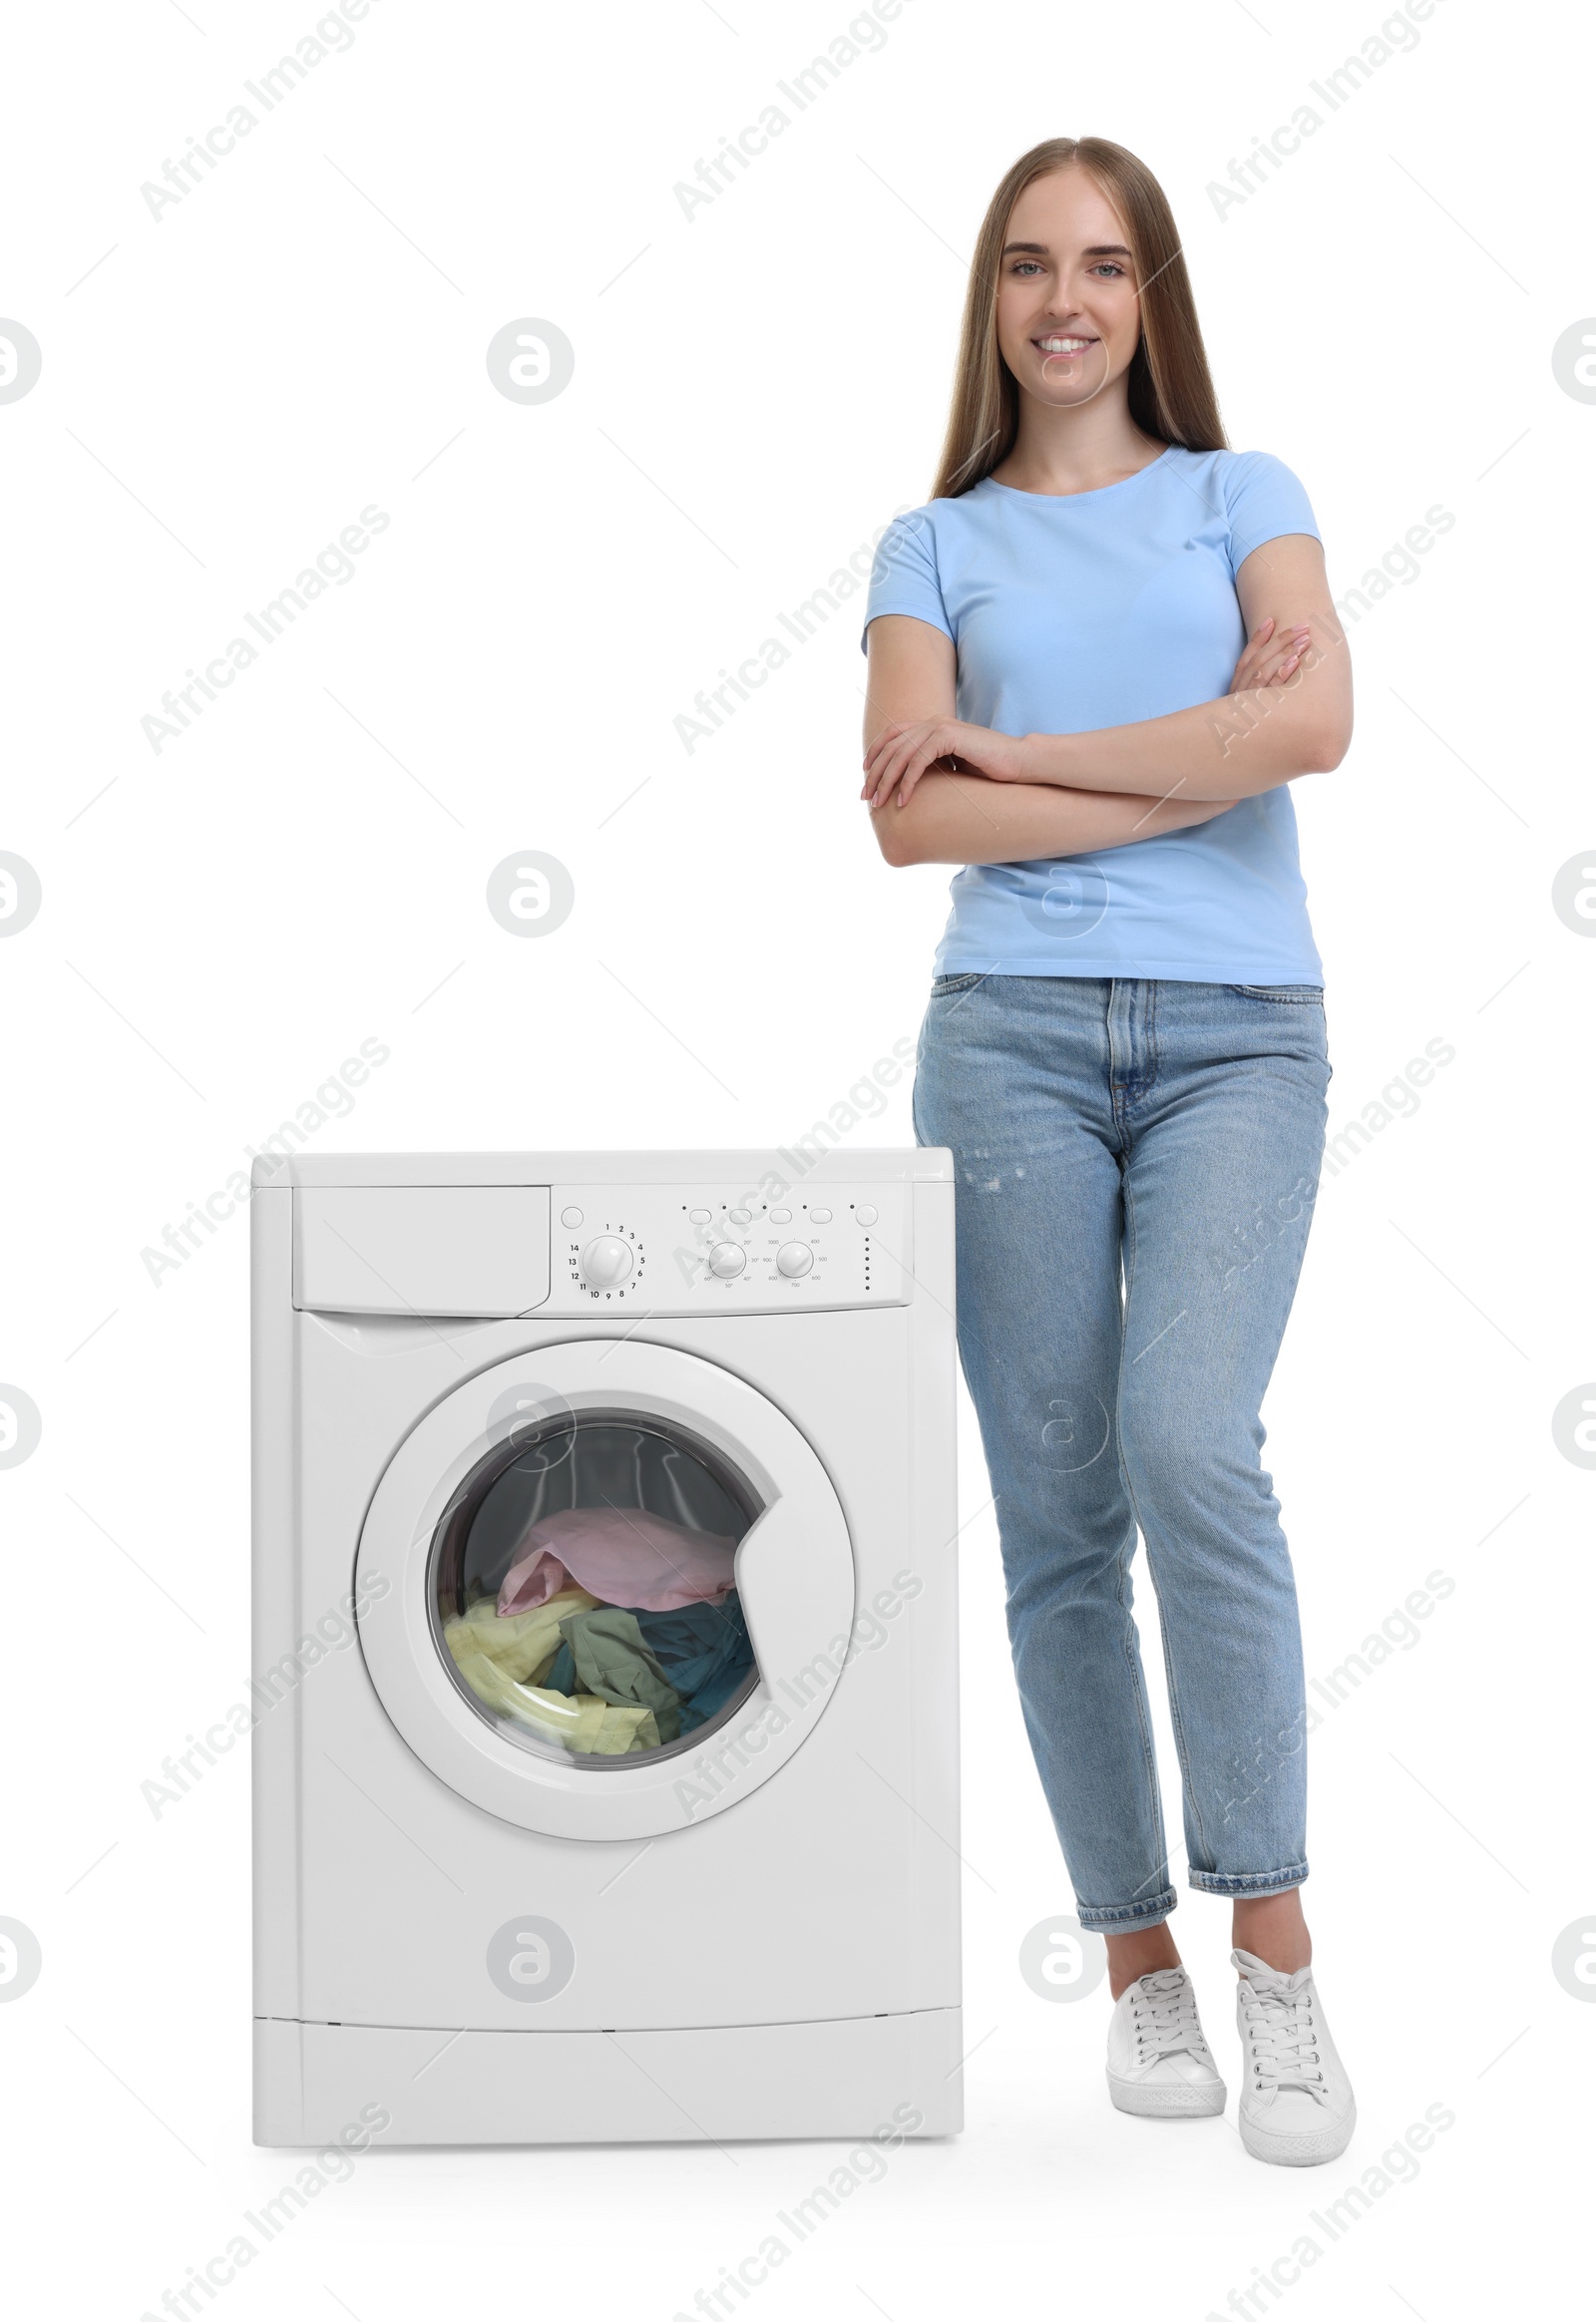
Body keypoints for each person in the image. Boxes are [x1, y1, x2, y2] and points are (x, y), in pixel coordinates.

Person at [861, 136, 1356, 2166]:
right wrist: (1183, 753)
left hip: (1241, 1035)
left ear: (1153, 298)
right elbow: (908, 823)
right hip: (1009, 1050)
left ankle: (1275, 1948)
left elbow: (1311, 730)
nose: (1066, 300)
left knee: (1187, 1444)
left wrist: (1024, 755)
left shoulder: (1250, 497)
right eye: (1027, 265)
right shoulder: (927, 542)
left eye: (1106, 264)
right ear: (989, 302)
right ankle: (1137, 1964)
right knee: (1058, 1515)